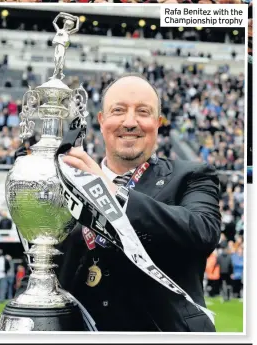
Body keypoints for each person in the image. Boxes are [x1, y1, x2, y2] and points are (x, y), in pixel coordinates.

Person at [16, 73, 221, 332]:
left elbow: (203, 231)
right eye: (118, 110)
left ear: (158, 123)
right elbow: (45, 262)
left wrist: (110, 192)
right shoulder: (67, 181)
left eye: (143, 112)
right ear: (102, 121)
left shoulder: (192, 175)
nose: (130, 122)